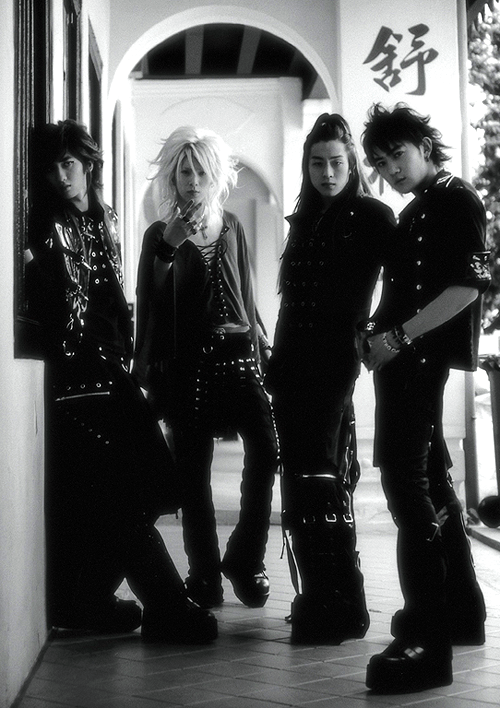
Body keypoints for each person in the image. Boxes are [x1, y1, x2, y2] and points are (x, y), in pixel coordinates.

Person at [27, 119, 217, 643]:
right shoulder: (46, 223)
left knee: (151, 486)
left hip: (111, 371)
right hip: (75, 376)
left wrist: (135, 362)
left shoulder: (105, 216)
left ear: (89, 164)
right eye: (52, 167)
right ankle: (164, 603)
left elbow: (117, 300)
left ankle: (88, 597)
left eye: (69, 163)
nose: (61, 176)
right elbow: (52, 308)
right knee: (121, 491)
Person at [360, 103, 489, 693]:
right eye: (381, 162)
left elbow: (467, 287)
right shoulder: (418, 207)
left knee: (406, 485)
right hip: (403, 360)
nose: (391, 169)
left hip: (418, 361)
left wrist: (398, 337)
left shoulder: (457, 199)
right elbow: (406, 288)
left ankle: (428, 644)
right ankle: (461, 611)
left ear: (425, 147)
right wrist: (375, 331)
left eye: (398, 155)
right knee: (431, 480)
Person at [134, 126, 279, 610]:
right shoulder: (159, 234)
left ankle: (246, 557)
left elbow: (247, 294)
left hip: (240, 358)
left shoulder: (232, 225)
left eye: (200, 171)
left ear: (214, 175)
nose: (193, 181)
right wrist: (169, 246)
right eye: (184, 172)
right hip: (188, 364)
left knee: (268, 450)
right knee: (193, 473)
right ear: (172, 178)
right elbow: (152, 300)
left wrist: (260, 339)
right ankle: (204, 576)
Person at [265, 113, 396, 644]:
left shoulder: (373, 215)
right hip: (290, 362)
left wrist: (379, 331)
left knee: (322, 476)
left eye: (336, 162)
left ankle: (340, 603)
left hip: (333, 362)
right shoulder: (304, 218)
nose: (326, 172)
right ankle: (320, 596)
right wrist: (274, 362)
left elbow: (403, 281)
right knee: (301, 478)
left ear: (352, 164)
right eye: (317, 163)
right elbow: (291, 302)